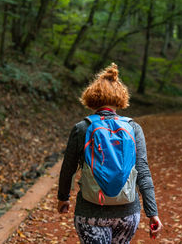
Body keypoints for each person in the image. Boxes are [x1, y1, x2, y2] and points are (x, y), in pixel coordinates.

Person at [57, 63, 162, 243]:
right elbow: (143, 172)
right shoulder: (133, 128)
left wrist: (63, 197)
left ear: (91, 99)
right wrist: (153, 213)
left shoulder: (82, 128)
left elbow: (68, 168)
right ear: (120, 99)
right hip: (127, 213)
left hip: (90, 212)